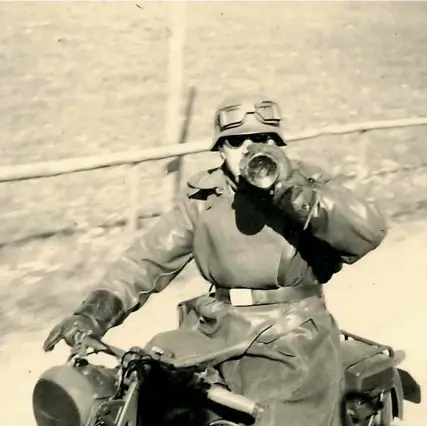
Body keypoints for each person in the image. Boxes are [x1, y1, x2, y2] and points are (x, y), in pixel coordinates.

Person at [42, 94, 389, 426]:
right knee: (138, 396)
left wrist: (289, 193)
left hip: (292, 336)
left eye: (262, 138)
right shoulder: (204, 198)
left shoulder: (304, 183)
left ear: (277, 144)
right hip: (212, 330)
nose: (249, 149)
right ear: (221, 149)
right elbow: (145, 260)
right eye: (236, 141)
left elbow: (367, 229)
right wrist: (93, 313)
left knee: (280, 417)